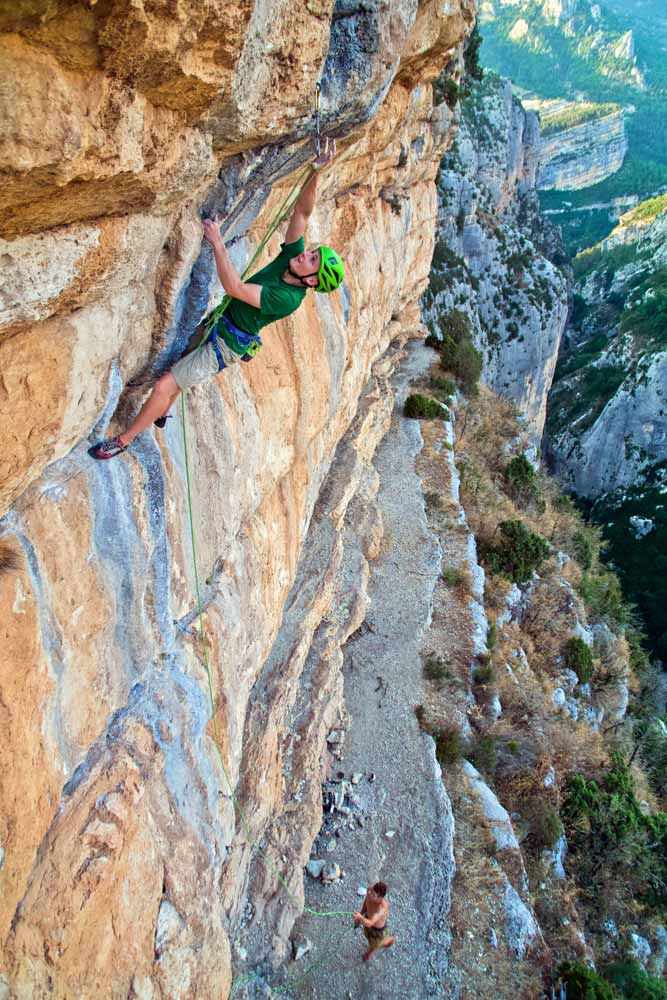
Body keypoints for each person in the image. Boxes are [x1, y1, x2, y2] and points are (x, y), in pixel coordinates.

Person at [89, 138, 344, 460]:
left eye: (312, 261)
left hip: (225, 345)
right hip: (221, 322)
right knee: (176, 366)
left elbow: (236, 289)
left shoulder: (288, 298)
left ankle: (122, 441)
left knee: (166, 384)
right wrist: (316, 172)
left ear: (311, 280)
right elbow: (302, 212)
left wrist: (217, 243)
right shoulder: (292, 260)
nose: (306, 254)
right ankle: (161, 411)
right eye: (312, 253)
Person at [353, 882, 397, 961]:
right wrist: (361, 913)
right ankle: (375, 946)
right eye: (370, 892)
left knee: (376, 944)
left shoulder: (381, 909)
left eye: (373, 895)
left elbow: (370, 923)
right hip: (367, 921)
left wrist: (360, 918)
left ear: (380, 898)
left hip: (377, 931)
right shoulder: (370, 890)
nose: (370, 895)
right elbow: (366, 902)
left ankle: (391, 939)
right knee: (368, 937)